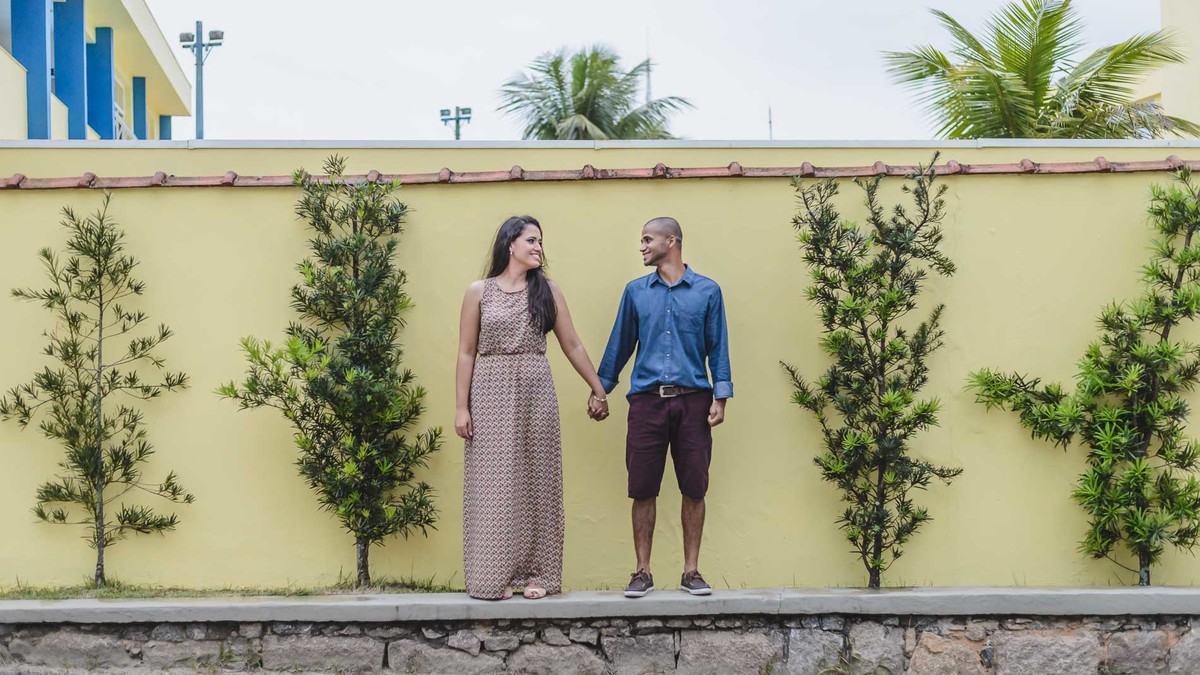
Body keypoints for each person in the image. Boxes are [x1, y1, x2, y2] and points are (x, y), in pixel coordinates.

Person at [455, 215, 609, 600]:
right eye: (531, 240)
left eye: (540, 242)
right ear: (510, 244)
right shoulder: (479, 292)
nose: (539, 248)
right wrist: (461, 407)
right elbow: (465, 352)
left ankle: (539, 575)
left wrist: (598, 388)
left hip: (535, 389)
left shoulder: (548, 292)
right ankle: (495, 577)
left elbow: (571, 344)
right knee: (493, 484)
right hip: (489, 392)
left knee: (539, 480)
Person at [597, 216, 732, 598]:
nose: (641, 246)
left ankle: (691, 572)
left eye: (647, 239)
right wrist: (599, 390)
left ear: (671, 242)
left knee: (695, 486)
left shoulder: (707, 292)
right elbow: (618, 347)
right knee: (642, 488)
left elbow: (718, 347)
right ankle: (642, 572)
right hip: (646, 403)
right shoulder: (636, 292)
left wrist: (720, 397)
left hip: (693, 402)